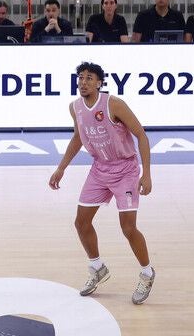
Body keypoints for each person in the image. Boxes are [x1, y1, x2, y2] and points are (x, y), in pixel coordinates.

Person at [50, 62, 156, 304]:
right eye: (80, 78)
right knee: (81, 222)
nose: (83, 82)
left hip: (126, 169)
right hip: (99, 168)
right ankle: (97, 267)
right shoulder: (74, 107)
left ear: (99, 83)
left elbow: (141, 134)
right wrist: (61, 167)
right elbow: (78, 137)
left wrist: (146, 173)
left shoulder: (113, 104)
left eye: (89, 78)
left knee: (128, 228)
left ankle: (147, 272)